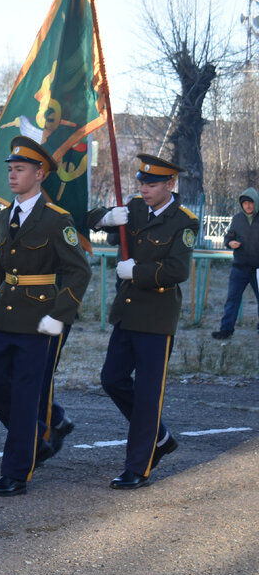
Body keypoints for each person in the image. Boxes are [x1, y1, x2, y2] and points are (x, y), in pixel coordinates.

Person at [0, 137, 91, 496]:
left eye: (20, 170)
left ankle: (16, 473)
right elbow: (4, 270)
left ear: (40, 174)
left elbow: (79, 271)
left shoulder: (57, 219)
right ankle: (36, 437)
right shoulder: (5, 214)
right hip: (6, 316)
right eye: (10, 170)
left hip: (39, 319)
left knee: (26, 395)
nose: (12, 176)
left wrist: (59, 314)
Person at [89, 154, 198, 489]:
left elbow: (178, 270)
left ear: (170, 185)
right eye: (142, 183)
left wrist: (135, 272)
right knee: (112, 379)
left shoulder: (184, 222)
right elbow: (87, 220)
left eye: (152, 184)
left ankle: (139, 465)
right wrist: (105, 218)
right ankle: (160, 437)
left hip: (157, 315)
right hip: (127, 311)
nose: (144, 189)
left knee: (149, 394)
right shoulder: (134, 209)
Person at [211, 187, 259, 340]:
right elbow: (228, 237)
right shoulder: (237, 219)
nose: (248, 206)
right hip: (239, 268)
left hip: (258, 269)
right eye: (245, 203)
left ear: (256, 203)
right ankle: (226, 330)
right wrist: (230, 242)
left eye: (251, 202)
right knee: (232, 299)